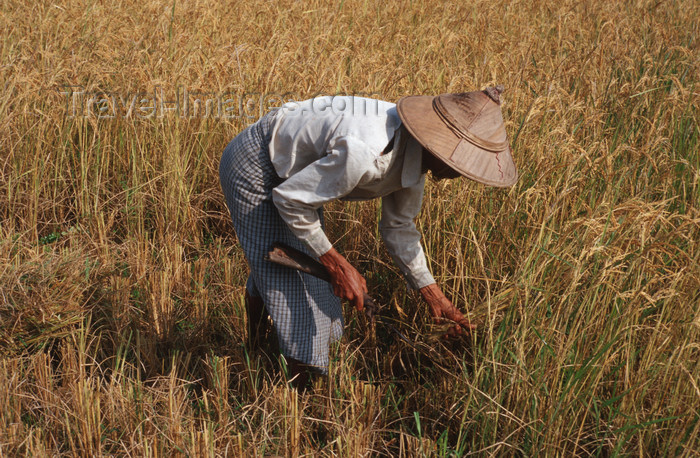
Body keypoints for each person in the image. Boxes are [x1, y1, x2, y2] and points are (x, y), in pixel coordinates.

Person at [219, 86, 517, 388]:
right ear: (440, 146)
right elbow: (291, 201)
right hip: (256, 163)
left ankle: (258, 346)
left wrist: (435, 298)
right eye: (462, 162)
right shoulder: (367, 150)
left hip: (294, 177)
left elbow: (399, 227)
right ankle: (294, 381)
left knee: (293, 265)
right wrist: (336, 264)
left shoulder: (416, 153)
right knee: (291, 288)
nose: (462, 173)